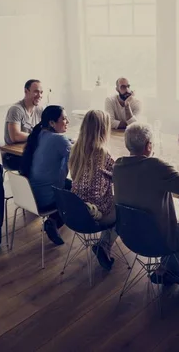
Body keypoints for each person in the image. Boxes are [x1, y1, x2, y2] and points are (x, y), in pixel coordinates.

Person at [113, 122, 179, 286]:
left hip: (129, 236)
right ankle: (170, 269)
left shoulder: (118, 165)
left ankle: (165, 269)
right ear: (149, 146)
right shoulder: (156, 166)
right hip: (158, 241)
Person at [69, 110, 118, 270]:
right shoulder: (103, 154)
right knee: (125, 208)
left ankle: (103, 245)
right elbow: (119, 176)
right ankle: (104, 245)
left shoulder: (76, 149)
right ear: (104, 130)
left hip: (76, 210)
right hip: (96, 214)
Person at [20, 105, 72, 246]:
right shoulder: (59, 140)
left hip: (29, 195)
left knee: (69, 185)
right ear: (52, 123)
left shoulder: (38, 135)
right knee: (78, 191)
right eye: (64, 119)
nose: (67, 122)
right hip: (46, 200)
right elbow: (76, 158)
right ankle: (54, 220)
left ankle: (53, 221)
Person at [2, 79, 44, 170]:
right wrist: (37, 136)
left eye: (41, 92)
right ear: (26, 91)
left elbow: (45, 131)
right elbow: (15, 136)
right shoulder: (16, 109)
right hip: (13, 156)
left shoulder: (40, 109)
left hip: (30, 150)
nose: (39, 95)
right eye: (36, 92)